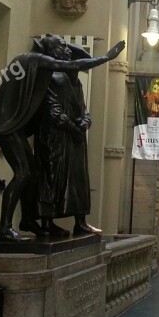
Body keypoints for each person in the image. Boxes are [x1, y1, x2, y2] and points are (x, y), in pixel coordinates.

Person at [0, 36, 125, 242]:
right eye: (60, 45)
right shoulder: (35, 59)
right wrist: (106, 57)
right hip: (6, 128)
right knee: (24, 174)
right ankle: (4, 228)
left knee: (30, 174)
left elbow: (75, 91)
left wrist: (82, 122)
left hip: (13, 127)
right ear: (49, 50)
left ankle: (27, 221)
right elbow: (72, 66)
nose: (64, 48)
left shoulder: (36, 64)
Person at [35, 44, 102, 236]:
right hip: (55, 138)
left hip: (74, 138)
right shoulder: (51, 78)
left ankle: (80, 222)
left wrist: (86, 121)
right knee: (52, 178)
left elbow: (83, 108)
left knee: (78, 181)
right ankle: (47, 222)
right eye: (63, 47)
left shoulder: (76, 83)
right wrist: (74, 128)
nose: (68, 51)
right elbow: (53, 111)